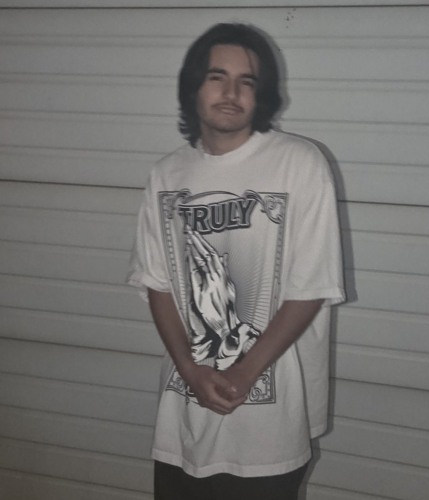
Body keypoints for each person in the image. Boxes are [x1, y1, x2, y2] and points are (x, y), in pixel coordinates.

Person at [127, 22, 345, 500]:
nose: (231, 92)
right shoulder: (166, 174)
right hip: (183, 419)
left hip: (269, 426)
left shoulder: (299, 163)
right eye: (217, 77)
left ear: (261, 92)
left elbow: (311, 288)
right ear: (193, 86)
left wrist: (244, 373)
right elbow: (157, 284)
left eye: (246, 81)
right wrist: (190, 370)